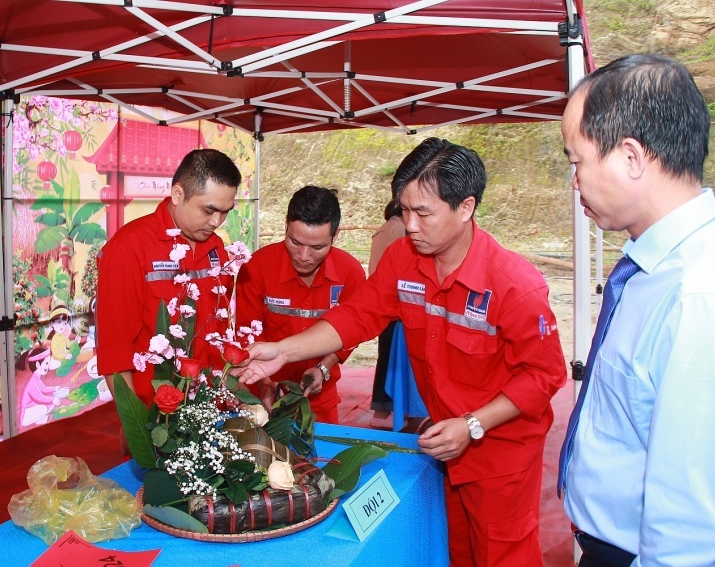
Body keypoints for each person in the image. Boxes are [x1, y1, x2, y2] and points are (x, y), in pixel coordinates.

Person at [237, 138, 566, 565]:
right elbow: (356, 316)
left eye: (423, 213)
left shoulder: (513, 285)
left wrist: (472, 424)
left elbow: (544, 376)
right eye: (404, 210)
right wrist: (284, 350)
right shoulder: (403, 260)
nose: (409, 225)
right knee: (455, 548)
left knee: (503, 554)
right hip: (444, 439)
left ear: (465, 208)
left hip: (500, 448)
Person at [558, 54, 715, 566]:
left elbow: (692, 529)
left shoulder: (702, 293)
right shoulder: (651, 268)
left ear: (632, 158)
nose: (574, 183)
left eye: (577, 162)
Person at [96, 148, 242, 409]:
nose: (217, 221)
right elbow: (114, 349)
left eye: (225, 212)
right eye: (209, 210)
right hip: (156, 416)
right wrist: (137, 426)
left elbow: (218, 330)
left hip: (208, 408)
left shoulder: (218, 249)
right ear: (178, 194)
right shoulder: (130, 247)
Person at [235, 185, 366, 423]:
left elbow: (350, 334)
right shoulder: (256, 269)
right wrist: (264, 381)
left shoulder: (350, 273)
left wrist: (323, 369)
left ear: (335, 237)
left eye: (317, 247)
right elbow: (246, 332)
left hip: (319, 396)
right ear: (286, 226)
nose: (303, 256)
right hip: (265, 395)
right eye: (295, 242)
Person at [367, 200, 405, 425]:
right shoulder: (400, 229)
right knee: (394, 358)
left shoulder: (385, 228)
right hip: (394, 302)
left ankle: (381, 409)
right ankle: (386, 410)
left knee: (386, 355)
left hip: (381, 298)